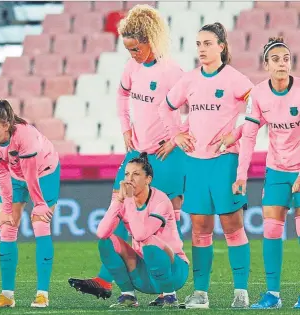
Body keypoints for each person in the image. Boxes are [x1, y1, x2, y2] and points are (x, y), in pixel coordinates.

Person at [68, 4, 186, 307]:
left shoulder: (172, 72)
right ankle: (113, 282)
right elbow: (122, 95)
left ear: (151, 40)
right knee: (121, 208)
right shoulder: (132, 67)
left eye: (136, 48)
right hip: (138, 151)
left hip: (166, 155)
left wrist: (175, 139)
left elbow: (192, 109)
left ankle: (167, 289)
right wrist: (125, 129)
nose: (133, 54)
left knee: (161, 221)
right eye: (128, 49)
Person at [159, 22, 254, 309]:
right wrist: (176, 134)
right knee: (200, 227)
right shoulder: (189, 80)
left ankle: (241, 292)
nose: (201, 48)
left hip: (225, 160)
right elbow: (165, 106)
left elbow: (256, 105)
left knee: (232, 224)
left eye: (208, 43)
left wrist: (235, 134)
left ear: (222, 47)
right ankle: (200, 293)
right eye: (199, 43)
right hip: (196, 162)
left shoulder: (235, 78)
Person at [232, 36, 300, 309]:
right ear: (266, 64)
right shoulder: (259, 94)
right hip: (276, 171)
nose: (282, 63)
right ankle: (273, 295)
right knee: (271, 230)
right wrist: (241, 175)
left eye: (286, 59)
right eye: (276, 59)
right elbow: (248, 135)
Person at [0, 100, 60, 308]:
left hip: (44, 173)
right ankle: (6, 296)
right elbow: (1, 175)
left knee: (40, 223)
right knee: (6, 227)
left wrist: (39, 204)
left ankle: (42, 294)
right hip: (14, 175)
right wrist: (5, 210)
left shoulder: (25, 136)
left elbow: (31, 174)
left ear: (6, 125)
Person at [96, 153, 189, 308]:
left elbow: (140, 235)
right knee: (106, 242)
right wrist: (118, 200)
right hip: (144, 277)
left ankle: (169, 297)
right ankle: (128, 296)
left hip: (174, 273)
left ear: (148, 179)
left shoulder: (161, 201)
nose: (129, 179)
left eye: (136, 174)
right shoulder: (125, 200)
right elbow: (101, 233)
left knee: (149, 242)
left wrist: (129, 200)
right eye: (126, 174)